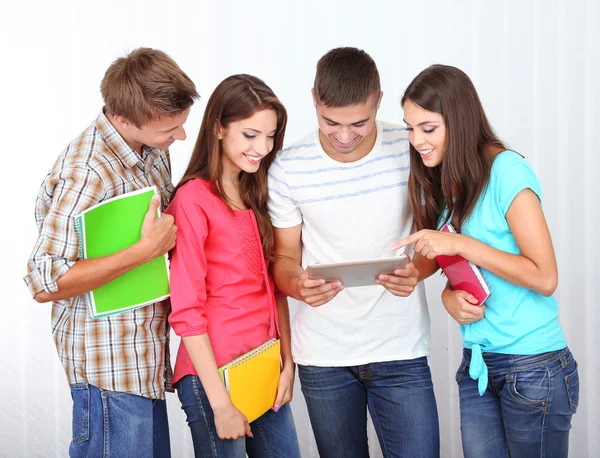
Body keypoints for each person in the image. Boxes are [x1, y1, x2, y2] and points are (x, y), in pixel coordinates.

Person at [395, 64, 579, 458]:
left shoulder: (508, 171)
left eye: (428, 128)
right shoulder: (450, 178)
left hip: (533, 368)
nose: (416, 141)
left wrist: (461, 244)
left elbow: (544, 277)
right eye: (410, 128)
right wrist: (448, 297)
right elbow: (463, 268)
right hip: (479, 367)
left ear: (458, 121)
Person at [23, 47, 198, 457]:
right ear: (122, 118)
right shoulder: (88, 170)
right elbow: (43, 279)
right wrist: (144, 251)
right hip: (108, 368)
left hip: (142, 359)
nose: (180, 137)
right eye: (169, 128)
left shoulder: (151, 148)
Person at [267, 47, 440, 457]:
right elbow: (284, 258)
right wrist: (297, 286)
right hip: (324, 355)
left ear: (379, 101)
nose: (344, 136)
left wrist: (418, 270)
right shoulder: (289, 167)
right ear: (313, 100)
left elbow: (436, 237)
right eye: (331, 123)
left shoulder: (412, 148)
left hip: (401, 348)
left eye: (358, 123)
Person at [166, 74, 301, 458]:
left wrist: (286, 362)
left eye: (270, 136)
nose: (262, 147)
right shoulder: (193, 199)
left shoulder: (255, 193)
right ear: (219, 129)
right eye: (250, 135)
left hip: (262, 369)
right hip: (214, 377)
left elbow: (272, 290)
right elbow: (187, 309)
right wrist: (222, 404)